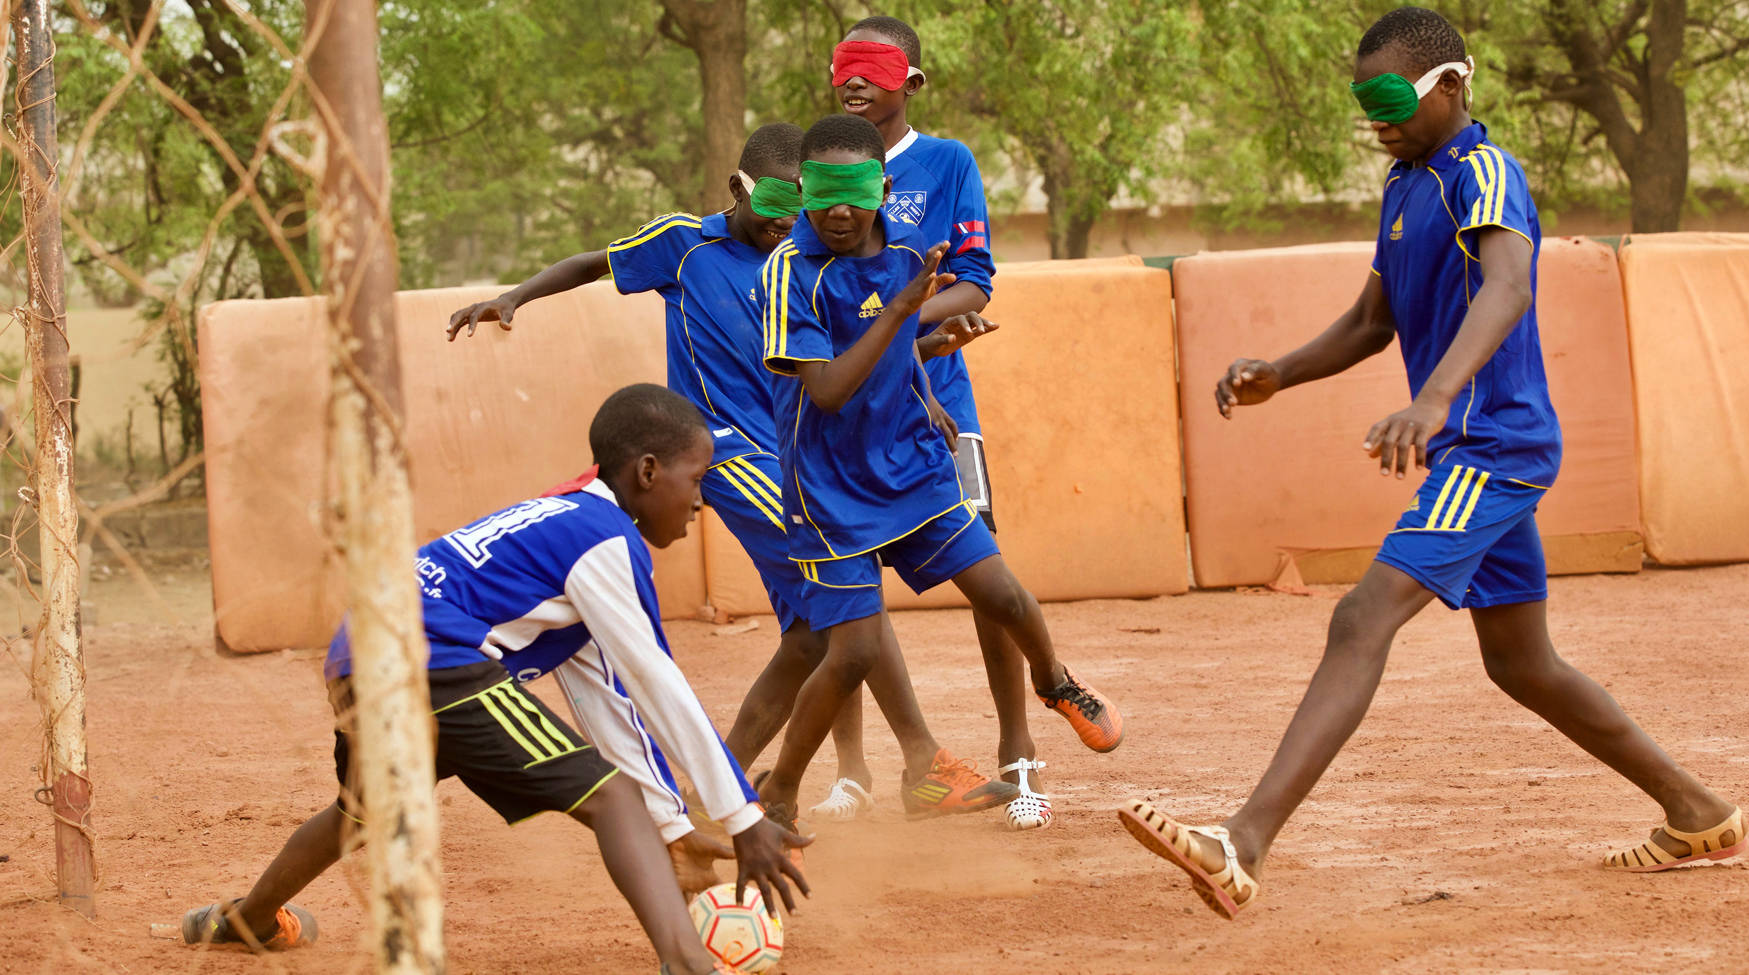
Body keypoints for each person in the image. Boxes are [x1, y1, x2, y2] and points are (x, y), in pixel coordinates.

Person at [1118, 7, 1747, 920]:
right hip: (1471, 442)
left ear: (1450, 84)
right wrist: (1279, 374)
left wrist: (1434, 397)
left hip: (1494, 444)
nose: (1374, 115)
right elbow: (1374, 321)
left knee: (1363, 612)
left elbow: (1508, 287)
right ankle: (1697, 811)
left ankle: (1241, 839)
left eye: (1389, 96)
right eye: (1362, 99)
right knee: (1523, 664)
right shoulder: (1405, 184)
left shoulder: (1482, 171)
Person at [445, 124, 1007, 826]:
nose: (785, 219)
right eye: (775, 203)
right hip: (728, 452)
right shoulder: (687, 244)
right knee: (848, 589)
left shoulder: (810, 265)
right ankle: (921, 761)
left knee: (812, 634)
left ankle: (722, 789)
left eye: (798, 205)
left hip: (801, 451)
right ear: (739, 188)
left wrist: (922, 386)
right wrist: (516, 297)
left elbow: (859, 351)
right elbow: (593, 262)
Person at [181, 385, 808, 975]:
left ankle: (247, 920)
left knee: (362, 812)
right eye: (696, 480)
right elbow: (656, 682)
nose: (700, 502)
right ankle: (690, 962)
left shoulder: (562, 520)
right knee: (613, 800)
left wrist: (673, 829)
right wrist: (741, 817)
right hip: (428, 659)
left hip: (360, 655)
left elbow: (608, 699)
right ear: (647, 473)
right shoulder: (605, 539)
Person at [752, 113, 1122, 840]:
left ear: (883, 190)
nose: (837, 210)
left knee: (1002, 591)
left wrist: (923, 383)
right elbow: (826, 390)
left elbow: (896, 344)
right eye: (822, 193)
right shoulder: (790, 270)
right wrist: (902, 314)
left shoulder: (908, 252)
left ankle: (1056, 684)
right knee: (850, 651)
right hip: (831, 489)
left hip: (911, 461)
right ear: (801, 193)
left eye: (854, 193)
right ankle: (781, 794)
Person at [815, 14, 1052, 831]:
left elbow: (977, 280)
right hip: (839, 418)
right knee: (845, 587)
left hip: (934, 411)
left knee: (986, 577)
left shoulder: (946, 164)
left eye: (874, 69)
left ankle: (1018, 755)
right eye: (844, 65)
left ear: (910, 82)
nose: (855, 79)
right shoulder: (823, 163)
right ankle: (854, 769)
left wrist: (897, 326)